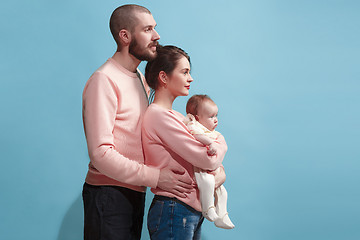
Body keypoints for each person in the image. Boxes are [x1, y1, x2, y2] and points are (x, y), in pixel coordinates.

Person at [81, 5, 193, 240]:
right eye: (148, 29)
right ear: (125, 36)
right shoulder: (103, 80)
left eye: (155, 28)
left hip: (134, 192)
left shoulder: (140, 79)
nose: (157, 36)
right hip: (108, 194)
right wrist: (157, 177)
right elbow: (100, 154)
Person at [142, 45, 228, 240]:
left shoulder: (178, 117)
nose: (191, 78)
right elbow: (208, 159)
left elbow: (210, 161)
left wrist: (218, 170)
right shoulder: (160, 117)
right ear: (163, 77)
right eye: (185, 72)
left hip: (185, 209)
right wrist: (222, 144)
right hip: (175, 209)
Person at [185, 94, 235, 229]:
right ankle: (208, 208)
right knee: (207, 183)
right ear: (197, 118)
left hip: (212, 168)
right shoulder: (194, 126)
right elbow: (196, 135)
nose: (215, 120)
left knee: (223, 192)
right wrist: (210, 143)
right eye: (211, 116)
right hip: (200, 169)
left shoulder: (212, 132)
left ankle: (222, 215)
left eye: (216, 116)